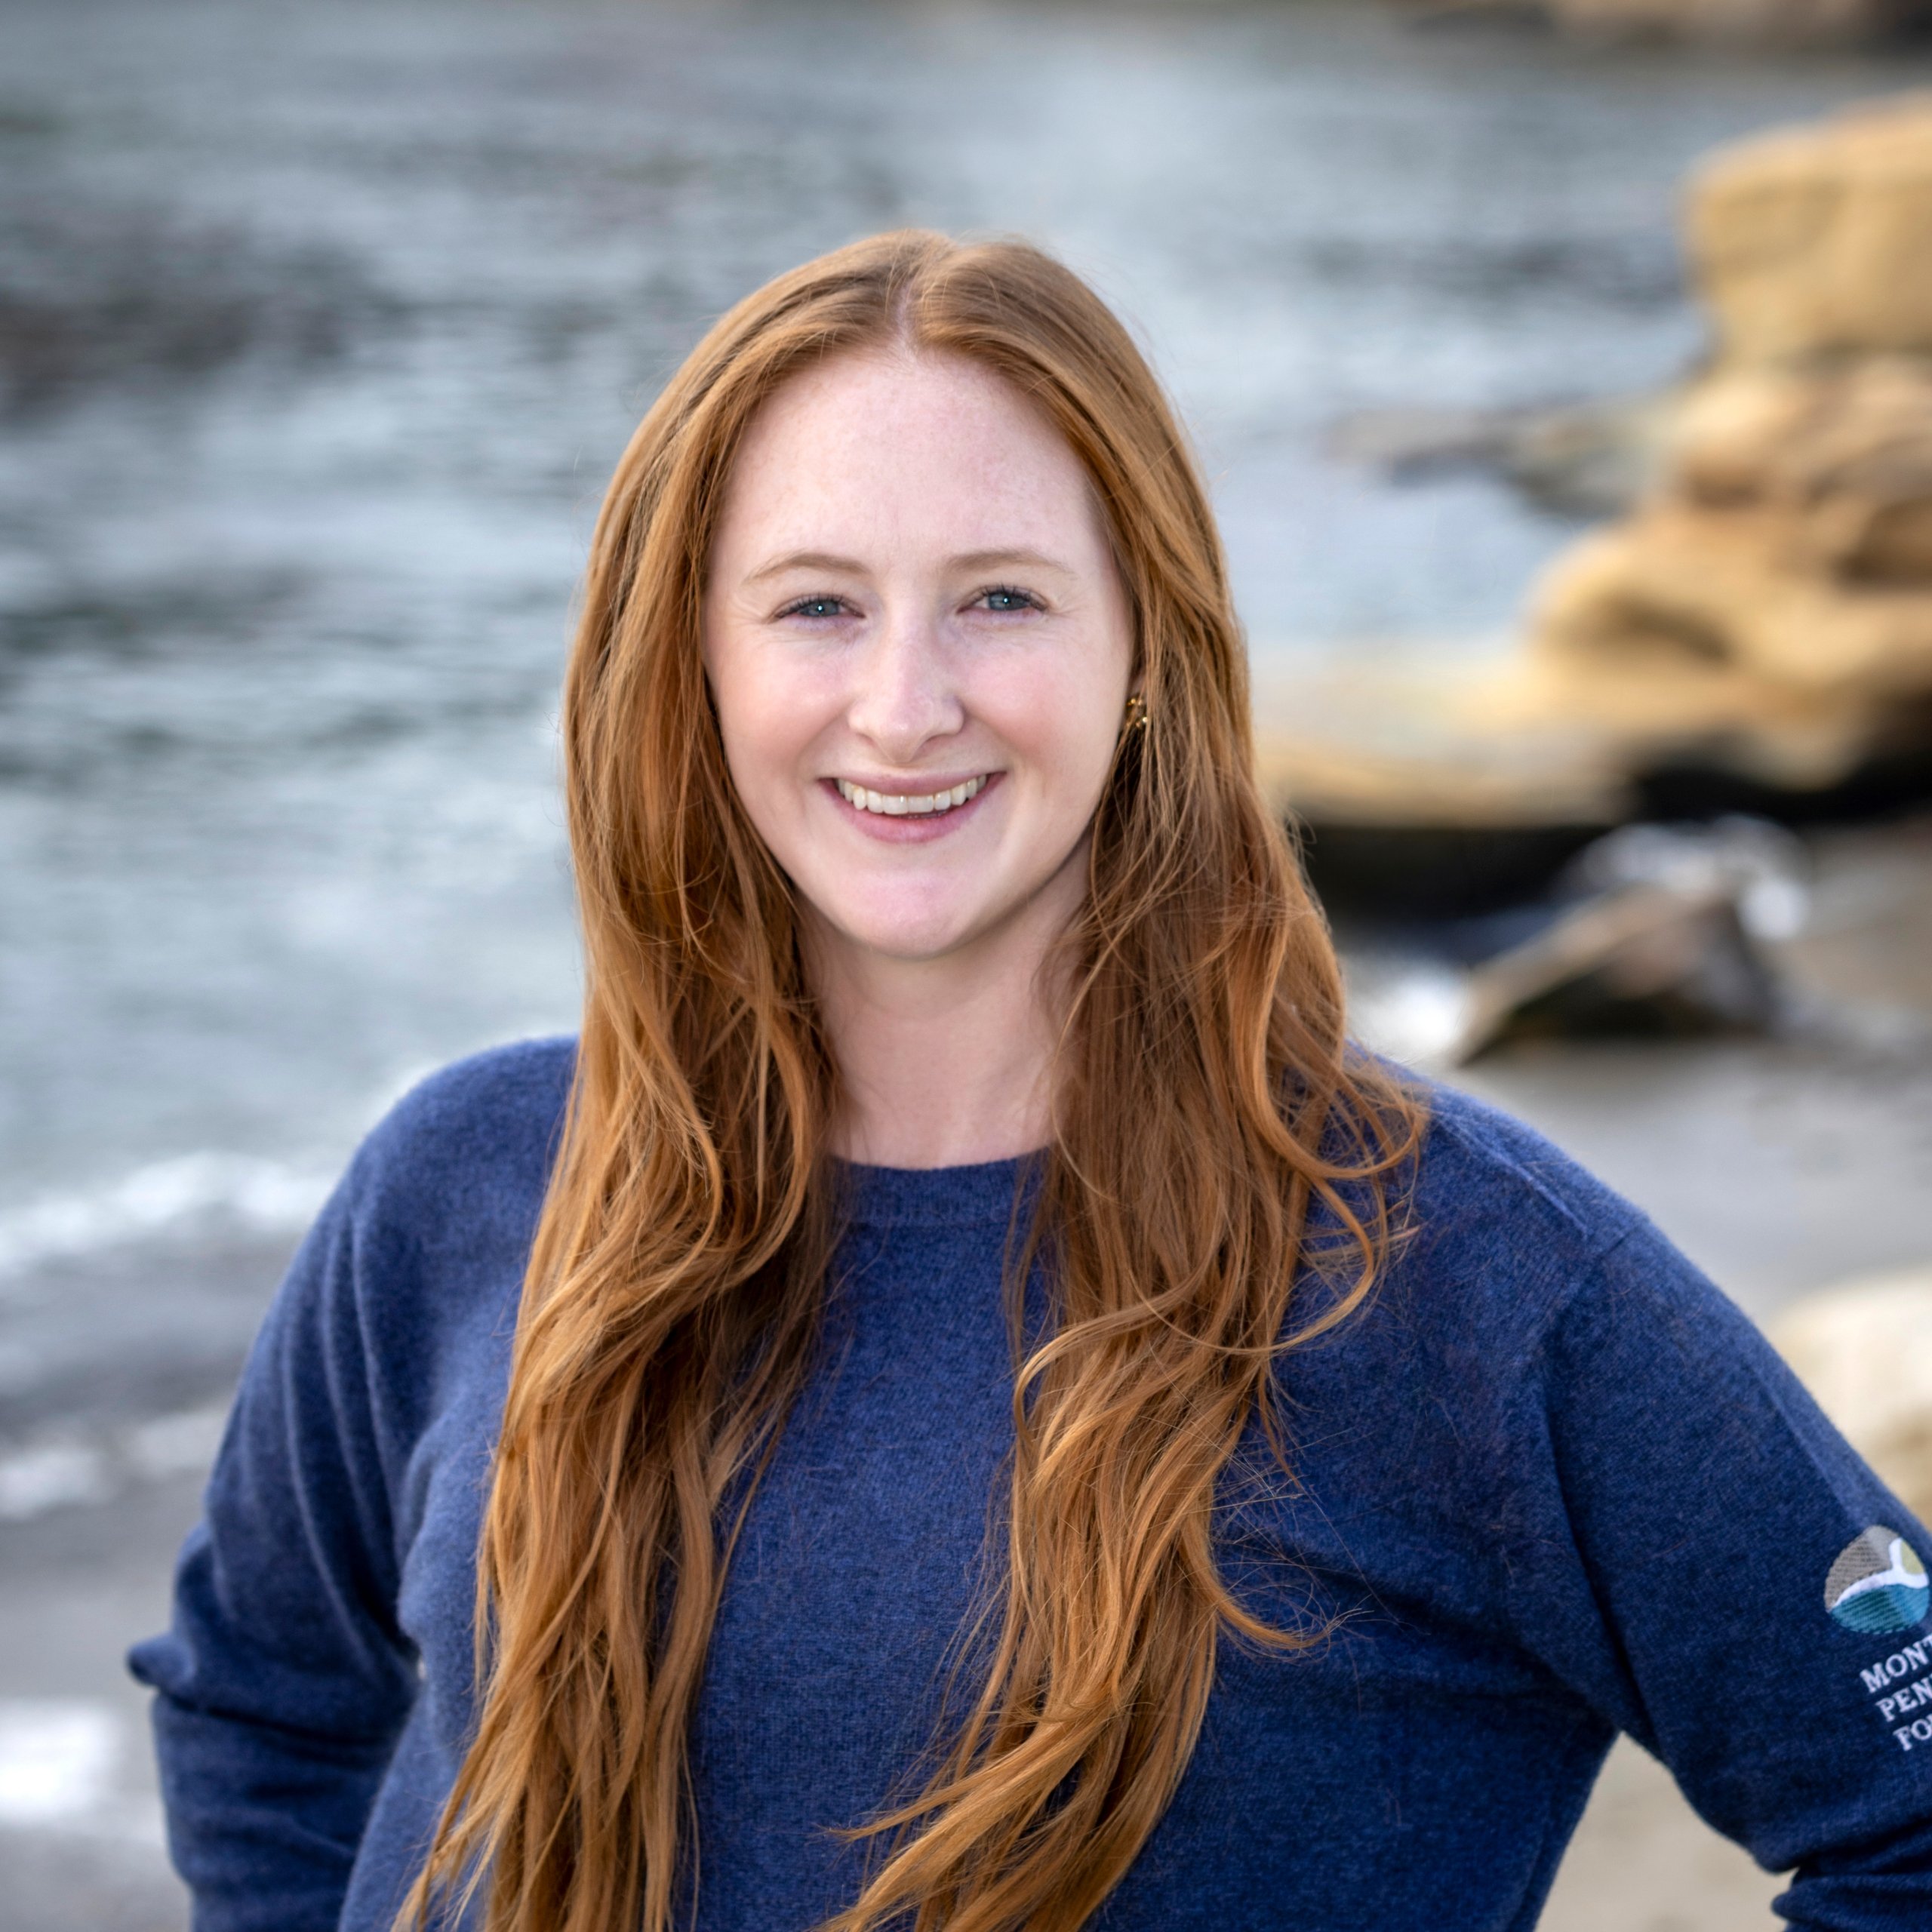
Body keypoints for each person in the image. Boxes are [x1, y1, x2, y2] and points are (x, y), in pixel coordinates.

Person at [132, 231, 1932, 1932]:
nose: (903, 705)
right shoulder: (463, 1179)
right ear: (691, 660)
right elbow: (260, 1699)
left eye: (997, 597)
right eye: (816, 606)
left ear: (1143, 650)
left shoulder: (1462, 1276)